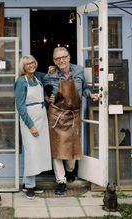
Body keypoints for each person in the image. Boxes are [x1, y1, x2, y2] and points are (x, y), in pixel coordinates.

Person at [43, 47, 99, 195]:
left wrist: (90, 95)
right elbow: (44, 89)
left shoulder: (79, 71)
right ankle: (61, 181)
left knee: (72, 149)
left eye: (63, 57)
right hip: (56, 115)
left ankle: (69, 171)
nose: (61, 61)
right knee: (56, 150)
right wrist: (47, 98)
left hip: (73, 115)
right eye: (57, 59)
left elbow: (85, 88)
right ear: (54, 61)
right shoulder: (50, 74)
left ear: (69, 57)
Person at [14, 55, 52, 199]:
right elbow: (21, 107)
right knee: (31, 153)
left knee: (38, 152)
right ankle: (30, 186)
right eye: (27, 64)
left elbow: (50, 77)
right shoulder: (21, 82)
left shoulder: (36, 78)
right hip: (30, 120)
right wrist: (31, 126)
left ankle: (27, 183)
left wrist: (48, 100)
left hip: (41, 119)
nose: (30, 65)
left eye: (32, 63)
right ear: (23, 67)